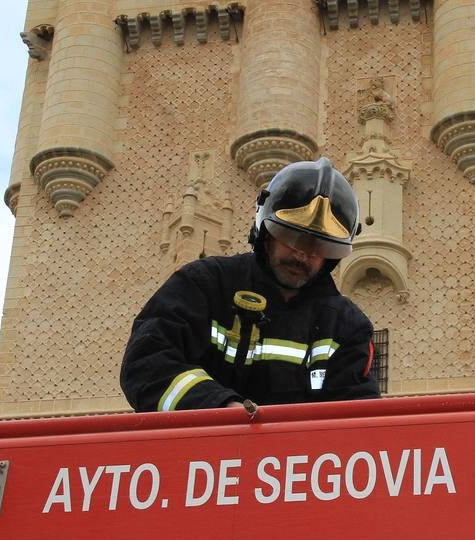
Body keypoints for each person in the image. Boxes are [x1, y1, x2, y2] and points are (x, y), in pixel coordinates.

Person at [120, 157, 380, 411]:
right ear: (265, 232)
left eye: (319, 246)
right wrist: (219, 408)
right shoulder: (204, 286)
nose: (303, 254)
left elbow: (356, 420)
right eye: (291, 237)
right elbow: (147, 362)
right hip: (199, 451)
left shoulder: (347, 327)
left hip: (297, 455)